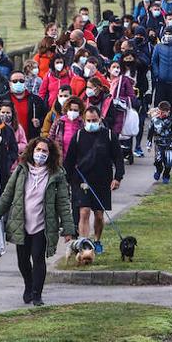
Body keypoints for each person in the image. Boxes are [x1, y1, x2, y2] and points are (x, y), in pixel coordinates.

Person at [0, 136, 74, 306]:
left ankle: (37, 294)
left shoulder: (57, 175)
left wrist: (68, 228)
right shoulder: (21, 170)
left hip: (42, 225)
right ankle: (28, 286)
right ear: (32, 150)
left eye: (44, 151)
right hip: (21, 223)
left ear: (50, 154)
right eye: (38, 150)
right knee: (22, 260)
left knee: (38, 258)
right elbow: (8, 194)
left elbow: (64, 203)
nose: (41, 153)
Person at [63, 107, 123, 251]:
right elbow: (69, 161)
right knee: (84, 211)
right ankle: (84, 243)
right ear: (84, 120)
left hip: (103, 181)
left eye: (94, 120)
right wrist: (68, 179)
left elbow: (118, 158)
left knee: (99, 215)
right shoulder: (78, 136)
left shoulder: (109, 135)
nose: (91, 123)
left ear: (100, 119)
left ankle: (97, 241)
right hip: (81, 180)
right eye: (88, 120)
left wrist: (117, 178)